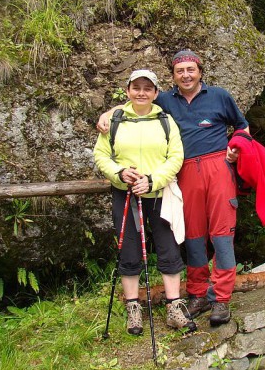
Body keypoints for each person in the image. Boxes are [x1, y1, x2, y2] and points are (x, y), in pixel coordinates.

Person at [98, 51, 249, 326]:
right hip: (185, 172)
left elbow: (243, 127)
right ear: (173, 76)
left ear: (200, 71)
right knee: (192, 235)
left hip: (218, 167)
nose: (186, 75)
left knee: (222, 234)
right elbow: (137, 101)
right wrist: (107, 114)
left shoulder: (220, 96)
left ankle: (221, 299)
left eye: (191, 69)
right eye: (180, 71)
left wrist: (238, 148)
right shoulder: (165, 99)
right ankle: (198, 295)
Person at [93, 69, 196, 335]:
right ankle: (133, 308)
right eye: (136, 88)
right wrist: (119, 173)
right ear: (127, 91)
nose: (141, 93)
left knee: (168, 247)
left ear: (156, 93)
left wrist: (153, 180)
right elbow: (102, 155)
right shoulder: (114, 120)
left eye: (147, 88)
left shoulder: (165, 120)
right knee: (128, 248)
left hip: (159, 193)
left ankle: (174, 306)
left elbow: (176, 156)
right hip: (124, 193)